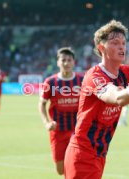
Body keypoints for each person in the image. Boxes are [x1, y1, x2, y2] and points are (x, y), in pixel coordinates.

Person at [64, 20, 129, 179]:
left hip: (99, 154)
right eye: (115, 43)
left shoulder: (124, 72)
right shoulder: (95, 76)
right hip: (83, 154)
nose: (122, 47)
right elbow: (118, 98)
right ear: (101, 48)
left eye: (124, 43)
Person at [38, 47, 83, 175]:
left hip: (78, 130)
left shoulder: (82, 80)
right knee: (60, 170)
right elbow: (41, 104)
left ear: (74, 62)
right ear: (58, 62)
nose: (66, 63)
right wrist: (47, 122)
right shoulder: (51, 82)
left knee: (76, 164)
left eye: (69, 60)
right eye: (63, 60)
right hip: (58, 131)